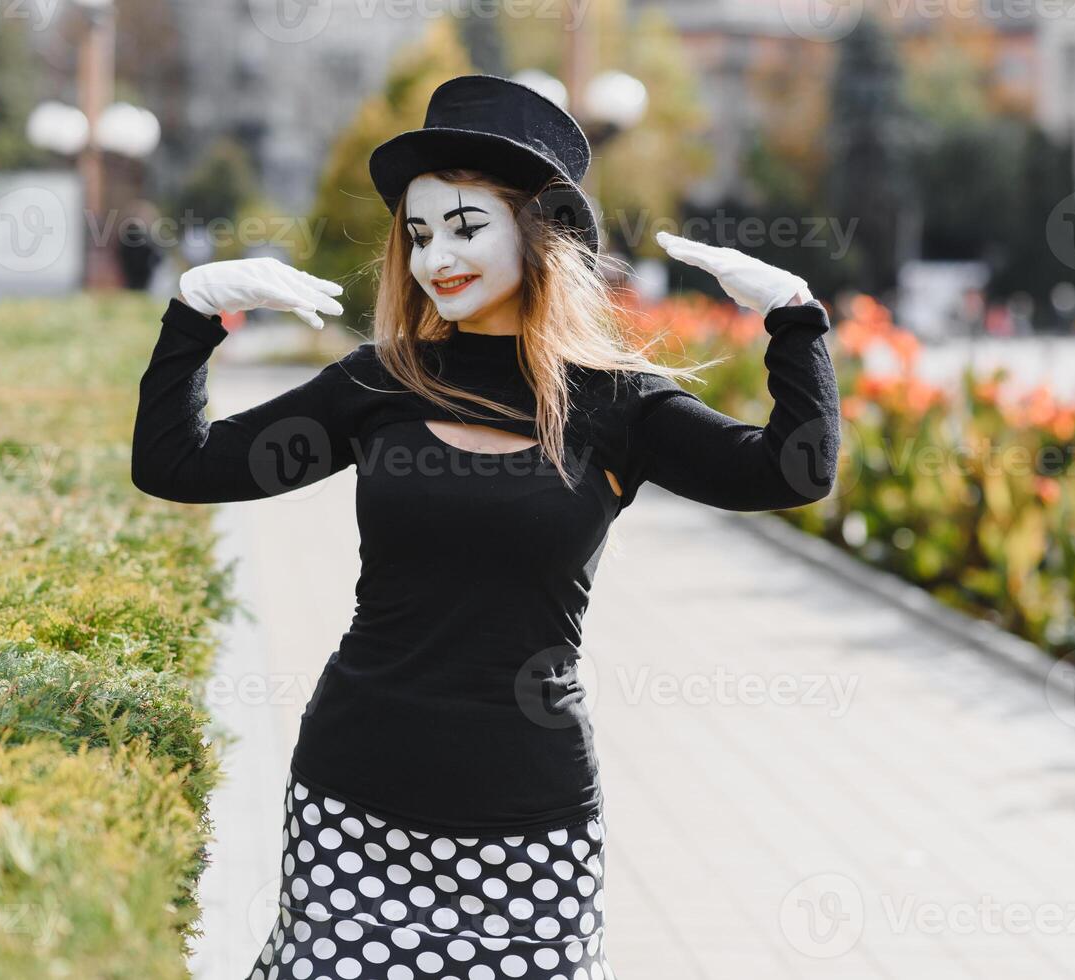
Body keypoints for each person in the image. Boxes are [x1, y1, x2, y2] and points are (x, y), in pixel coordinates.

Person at [131, 74, 841, 980]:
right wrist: (195, 314)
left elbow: (793, 470)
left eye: (466, 228)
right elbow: (177, 466)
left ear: (537, 233)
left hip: (530, 825)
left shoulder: (613, 403)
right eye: (420, 234)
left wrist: (796, 321)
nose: (435, 259)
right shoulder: (379, 383)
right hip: (355, 800)